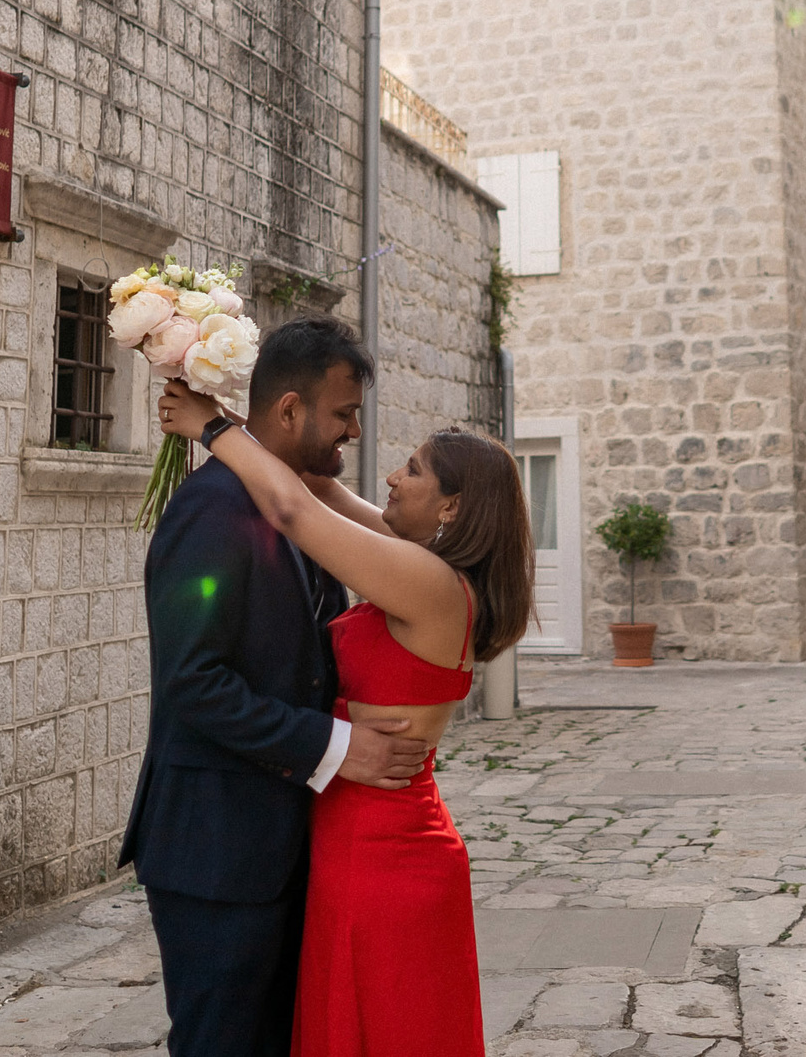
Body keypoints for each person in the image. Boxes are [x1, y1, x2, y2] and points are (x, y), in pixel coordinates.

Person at [158, 381, 534, 1057]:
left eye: (413, 469)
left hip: (384, 852)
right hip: (355, 837)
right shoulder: (421, 565)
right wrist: (264, 417)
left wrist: (211, 428)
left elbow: (294, 509)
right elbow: (321, 489)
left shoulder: (430, 584)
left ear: (452, 505)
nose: (393, 474)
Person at [120, 317, 429, 1057]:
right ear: (290, 410)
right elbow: (194, 683)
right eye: (345, 413)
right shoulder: (210, 510)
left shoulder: (297, 506)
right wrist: (337, 746)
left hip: (282, 850)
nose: (354, 431)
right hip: (218, 856)